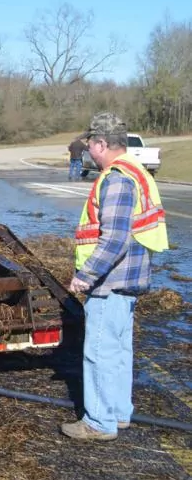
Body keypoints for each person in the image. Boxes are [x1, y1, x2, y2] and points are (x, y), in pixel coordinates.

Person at [61, 112, 168, 441]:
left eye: (90, 145)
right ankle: (118, 413)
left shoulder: (117, 179)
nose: (89, 152)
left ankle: (98, 422)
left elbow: (115, 239)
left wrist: (85, 276)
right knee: (119, 352)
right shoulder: (136, 171)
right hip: (126, 281)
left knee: (99, 353)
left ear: (101, 144)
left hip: (109, 283)